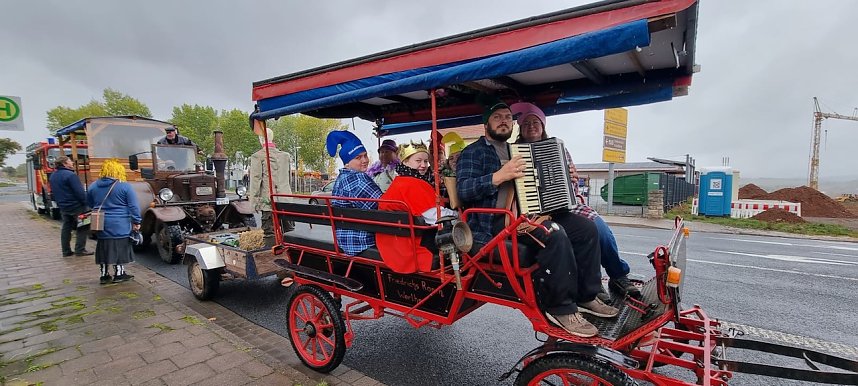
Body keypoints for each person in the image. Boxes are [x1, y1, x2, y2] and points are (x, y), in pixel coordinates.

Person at [456, 98, 618, 337]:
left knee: (586, 229)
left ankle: (586, 295)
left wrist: (566, 174)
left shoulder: (519, 149)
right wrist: (498, 176)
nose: (503, 122)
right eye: (497, 118)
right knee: (552, 233)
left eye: (507, 118)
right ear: (486, 125)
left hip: (529, 213)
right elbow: (464, 190)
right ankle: (561, 308)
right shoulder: (473, 152)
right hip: (494, 221)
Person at [510, 102, 641, 300]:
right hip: (535, 210)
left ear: (543, 126)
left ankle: (618, 276)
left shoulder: (559, 148)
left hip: (566, 205)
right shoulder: (514, 152)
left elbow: (572, 186)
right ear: (520, 128)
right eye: (526, 123)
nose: (531, 126)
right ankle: (594, 288)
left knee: (601, 231)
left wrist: (571, 178)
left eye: (535, 122)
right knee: (578, 233)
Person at [377, 141, 457, 273]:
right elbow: (434, 216)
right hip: (407, 244)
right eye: (418, 160)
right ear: (405, 162)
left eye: (426, 161)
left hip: (393, 239)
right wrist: (459, 216)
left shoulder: (402, 181)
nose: (423, 165)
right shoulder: (412, 183)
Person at [326, 130, 383, 256]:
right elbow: (383, 205)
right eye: (358, 157)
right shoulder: (357, 179)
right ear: (347, 162)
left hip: (345, 239)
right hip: (362, 241)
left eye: (365, 155)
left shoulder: (341, 178)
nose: (365, 160)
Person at [87, 159, 142, 284]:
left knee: (103, 247)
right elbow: (134, 206)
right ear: (118, 171)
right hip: (120, 224)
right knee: (119, 248)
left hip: (100, 224)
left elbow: (90, 203)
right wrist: (136, 221)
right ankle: (119, 274)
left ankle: (104, 275)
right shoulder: (124, 186)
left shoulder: (93, 186)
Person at [248, 128, 295, 247]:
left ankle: (272, 257)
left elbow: (255, 181)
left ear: (261, 139)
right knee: (289, 231)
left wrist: (254, 203)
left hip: (269, 201)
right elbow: (288, 179)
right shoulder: (285, 156)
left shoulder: (258, 156)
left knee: (269, 233)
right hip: (286, 200)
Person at [48, 155, 93, 257]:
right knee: (83, 226)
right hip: (77, 206)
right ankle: (80, 250)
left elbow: (53, 192)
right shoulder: (70, 175)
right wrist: (86, 203)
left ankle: (66, 250)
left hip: (63, 206)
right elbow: (80, 192)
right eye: (70, 161)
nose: (72, 163)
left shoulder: (53, 176)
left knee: (66, 228)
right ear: (64, 163)